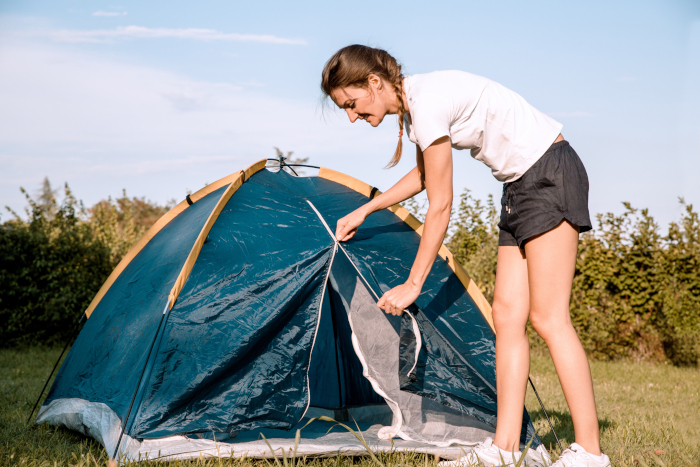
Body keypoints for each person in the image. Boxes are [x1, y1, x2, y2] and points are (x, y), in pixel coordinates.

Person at [320, 44, 611, 467]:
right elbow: (424, 174)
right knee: (506, 316)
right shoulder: (419, 103)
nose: (352, 116)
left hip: (548, 174)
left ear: (374, 82)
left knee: (549, 318)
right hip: (521, 185)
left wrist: (413, 284)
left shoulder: (427, 101)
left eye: (352, 103)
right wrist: (366, 209)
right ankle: (505, 448)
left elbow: (440, 204)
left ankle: (590, 453)